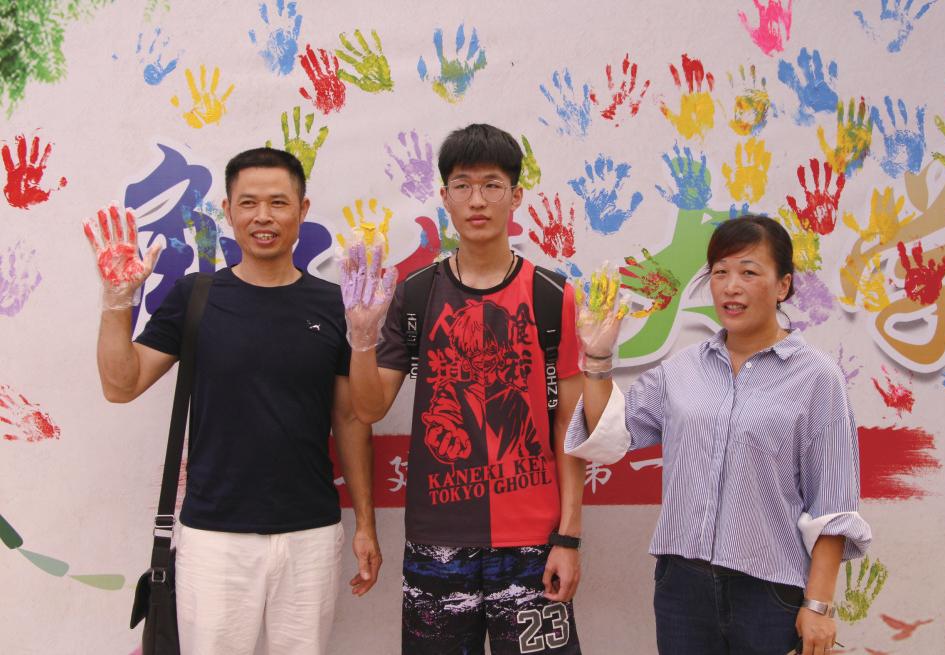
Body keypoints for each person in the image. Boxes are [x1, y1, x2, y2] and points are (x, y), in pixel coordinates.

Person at [84, 147, 381, 655]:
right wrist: (117, 302)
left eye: (278, 203)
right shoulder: (196, 296)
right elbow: (121, 385)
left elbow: (352, 419)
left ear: (302, 210)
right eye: (248, 203)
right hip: (213, 537)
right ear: (228, 210)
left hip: (310, 533)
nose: (263, 216)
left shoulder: (335, 306)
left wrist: (367, 526)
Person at [565, 215, 872, 655]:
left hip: (768, 593)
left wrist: (818, 605)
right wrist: (597, 356)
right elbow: (608, 434)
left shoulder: (817, 377)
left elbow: (833, 503)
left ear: (783, 285)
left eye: (749, 272)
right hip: (682, 588)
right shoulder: (682, 370)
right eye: (720, 272)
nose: (731, 287)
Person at [343, 123, 586, 654]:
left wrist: (568, 537)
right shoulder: (416, 294)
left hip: (532, 542)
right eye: (463, 185)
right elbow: (369, 407)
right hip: (437, 541)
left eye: (492, 185)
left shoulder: (553, 297)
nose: (477, 200)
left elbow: (571, 425)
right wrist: (361, 339)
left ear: (515, 196)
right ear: (445, 196)